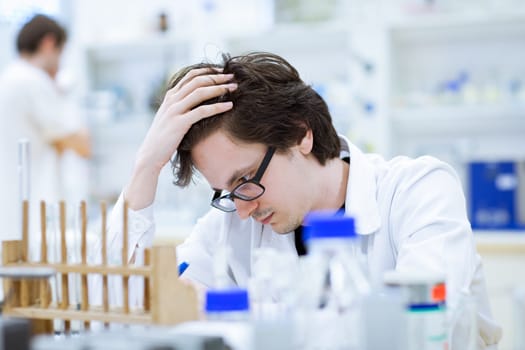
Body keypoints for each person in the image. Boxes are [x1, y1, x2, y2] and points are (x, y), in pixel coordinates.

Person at [104, 52, 501, 347]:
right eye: (225, 191)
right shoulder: (234, 222)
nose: (242, 206)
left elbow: (422, 332)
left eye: (244, 178)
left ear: (300, 134)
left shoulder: (416, 190)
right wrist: (146, 167)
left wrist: (244, 317)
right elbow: (122, 309)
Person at [0, 14, 91, 242]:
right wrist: (61, 91)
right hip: (33, 215)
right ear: (49, 43)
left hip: (13, 214)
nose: (61, 64)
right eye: (62, 53)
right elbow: (83, 145)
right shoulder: (32, 81)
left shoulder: (9, 79)